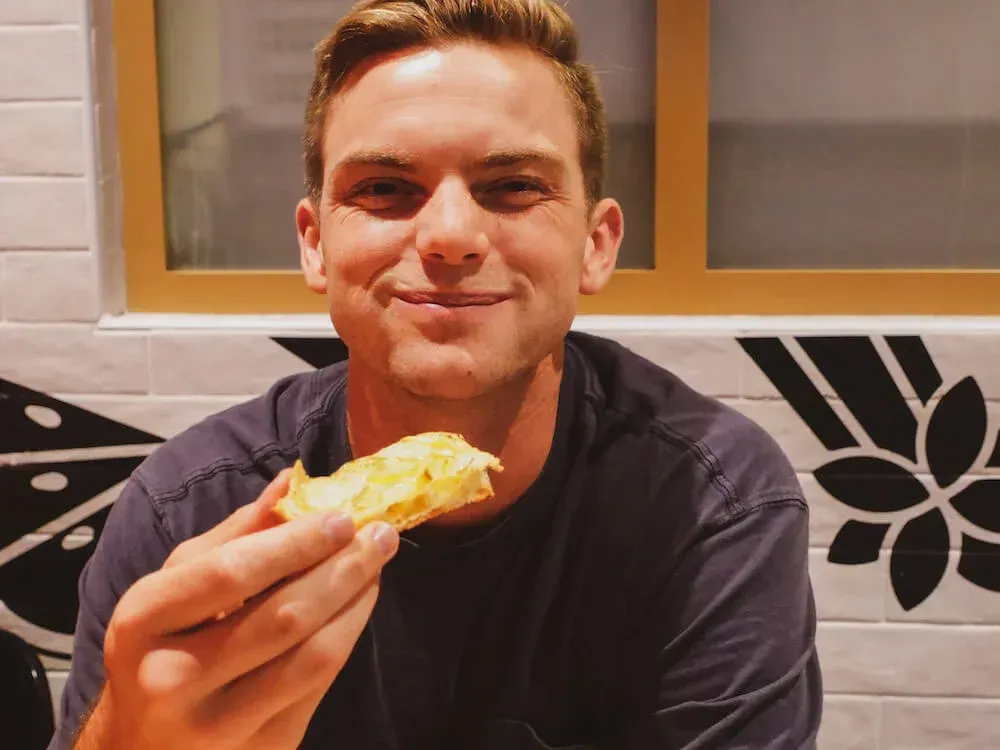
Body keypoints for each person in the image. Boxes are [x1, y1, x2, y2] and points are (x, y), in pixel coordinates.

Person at [56, 0, 822, 747]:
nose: (451, 236)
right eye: (385, 189)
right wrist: (126, 738)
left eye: (515, 186)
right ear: (315, 243)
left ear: (596, 244)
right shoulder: (189, 514)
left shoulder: (711, 505)